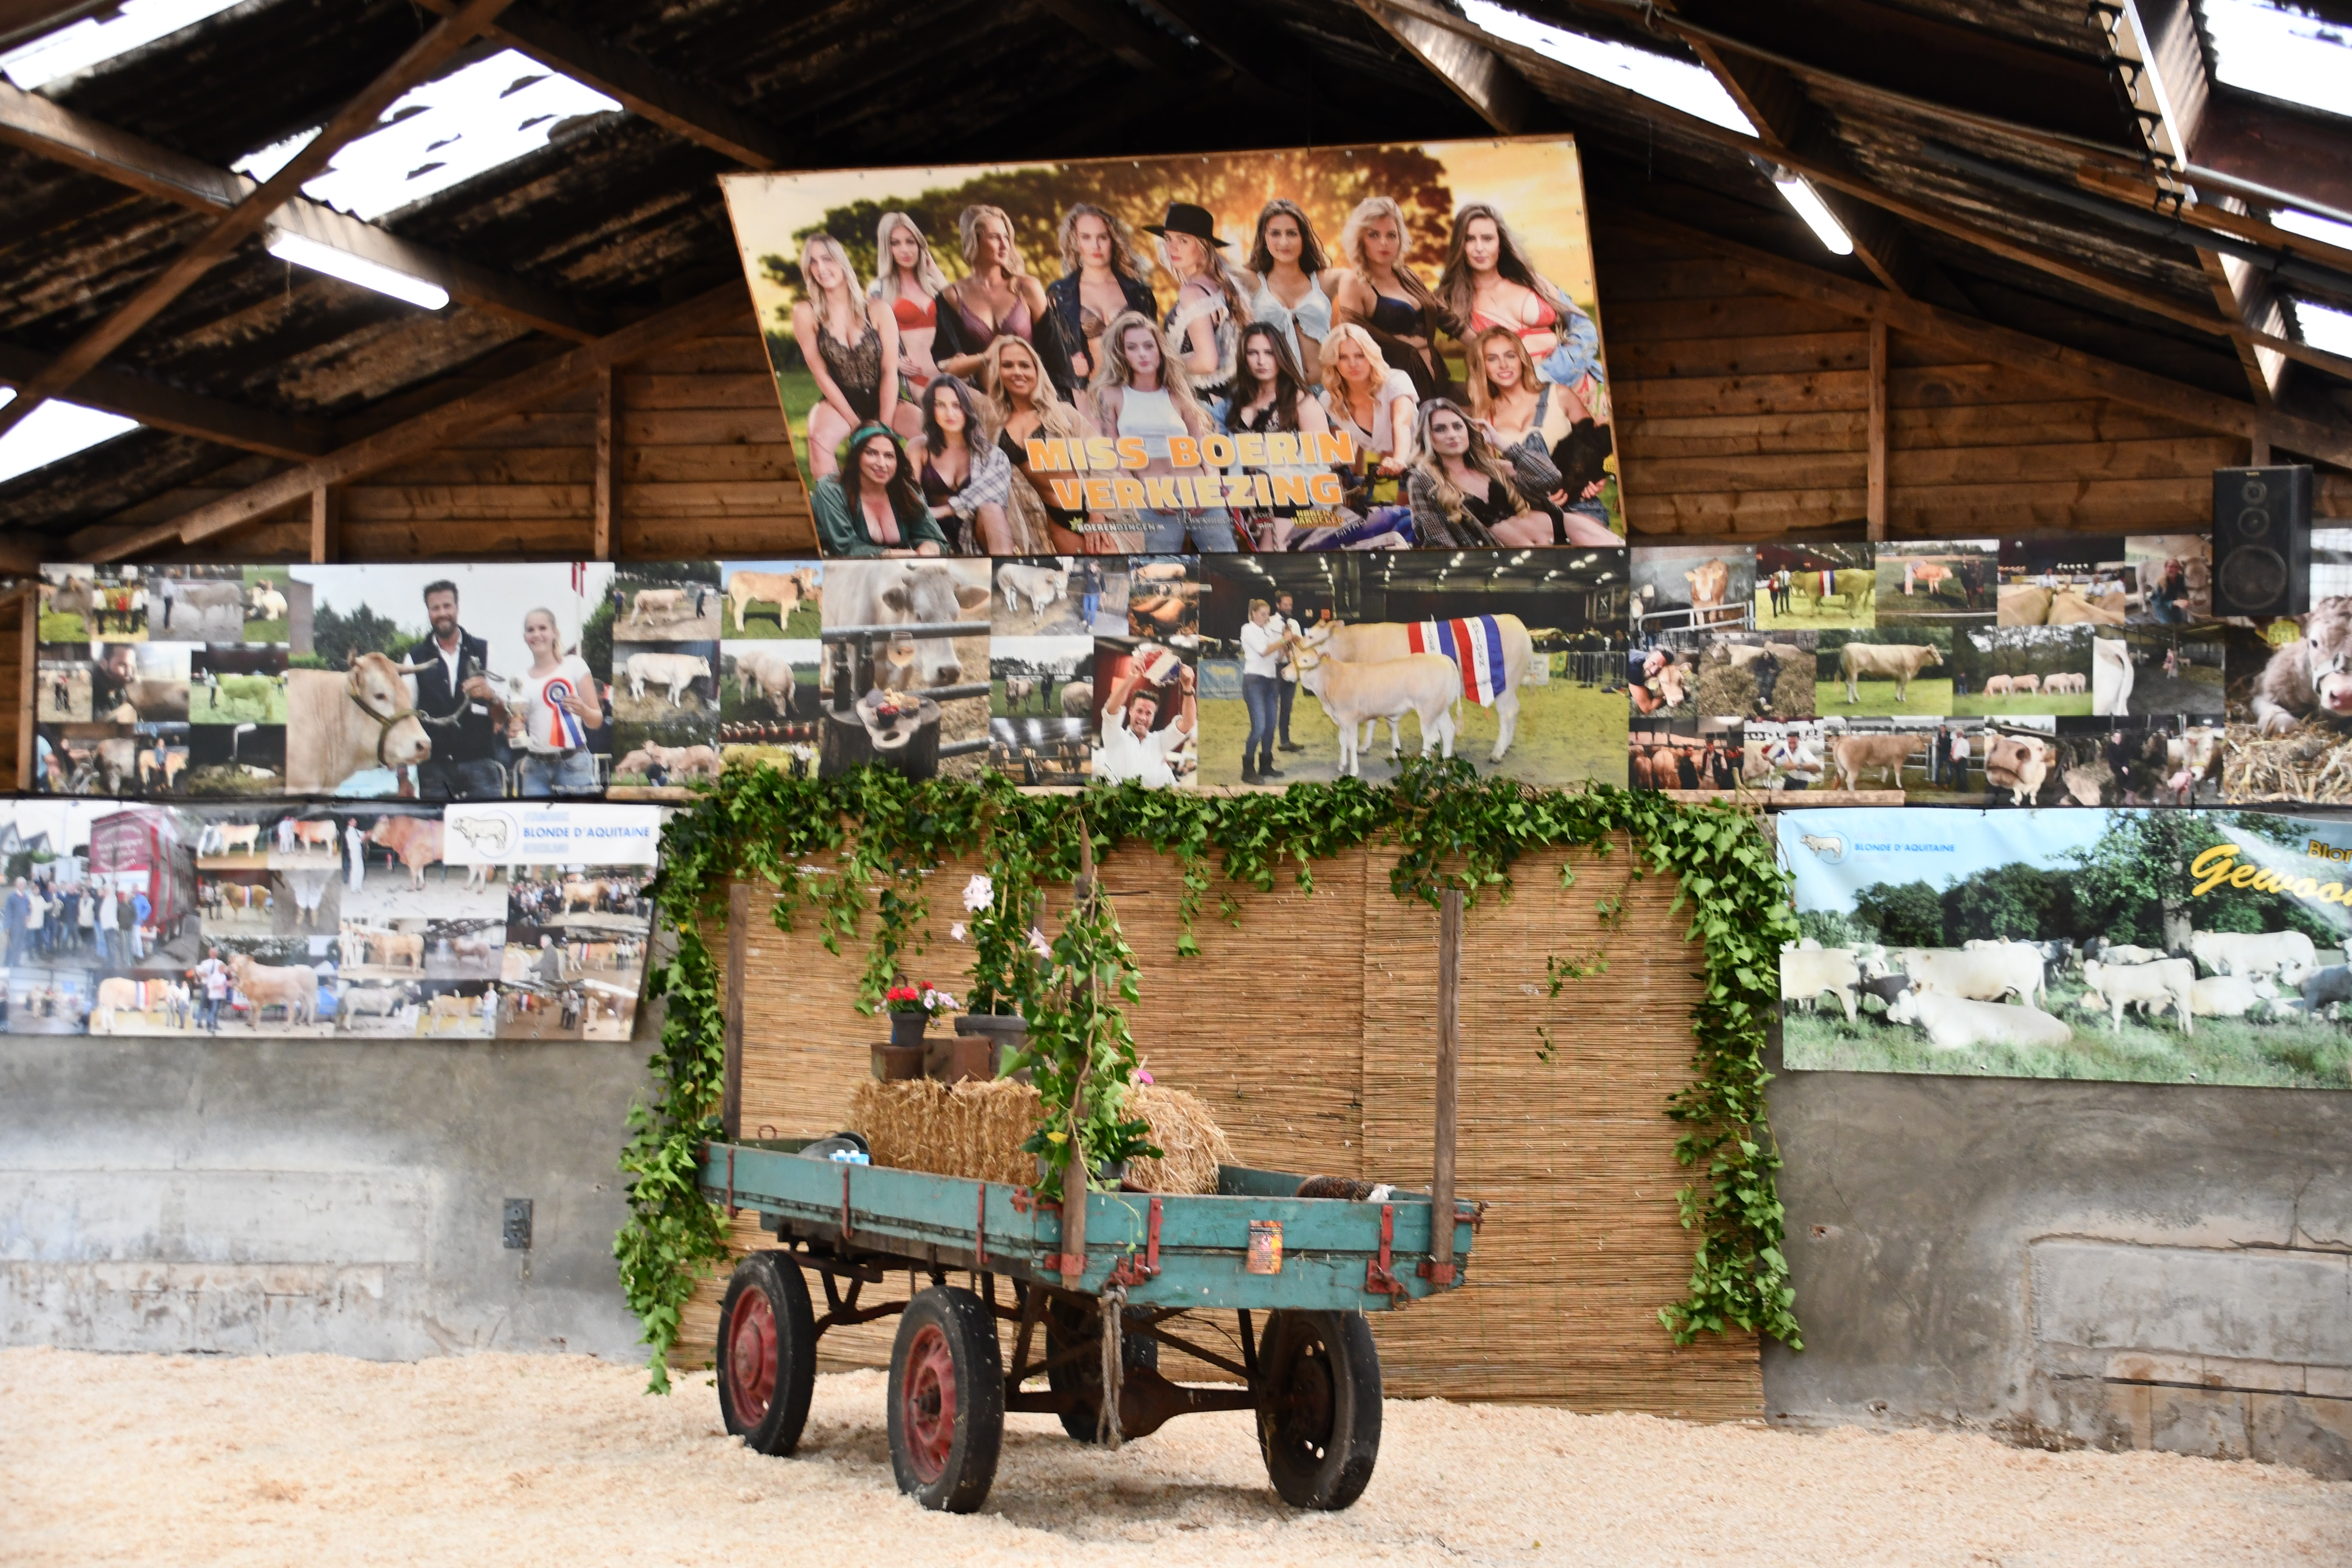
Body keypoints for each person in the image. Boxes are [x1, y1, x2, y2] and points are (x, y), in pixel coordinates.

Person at [1086, 311, 1236, 553]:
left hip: (1199, 493)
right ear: (1121, 353)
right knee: (1160, 567)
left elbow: (1203, 445)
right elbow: (1113, 456)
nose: (1143, 354)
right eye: (1132, 348)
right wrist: (1142, 495)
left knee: (1227, 561)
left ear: (1159, 349)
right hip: (1152, 500)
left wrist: (1211, 485)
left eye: (1149, 346)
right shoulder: (1110, 395)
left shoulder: (1177, 391)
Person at [1437, 201, 1603, 392]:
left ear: (1500, 244)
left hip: (1588, 387)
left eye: (1488, 239)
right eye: (1470, 239)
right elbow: (1486, 365)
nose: (1479, 248)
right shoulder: (1457, 305)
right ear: (1460, 245)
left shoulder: (1532, 281)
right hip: (1530, 398)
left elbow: (1584, 328)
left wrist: (1548, 373)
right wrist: (1536, 382)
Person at [1463, 326, 1613, 536]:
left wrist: (1596, 480)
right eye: (1492, 359)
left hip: (1581, 507)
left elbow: (1597, 445)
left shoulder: (1559, 395)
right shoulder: (1484, 419)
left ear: (1522, 360)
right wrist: (1530, 499)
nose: (1504, 365)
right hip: (1529, 514)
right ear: (1482, 367)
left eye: (1510, 356)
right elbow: (1491, 478)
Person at [792, 232, 912, 481]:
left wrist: (883, 430)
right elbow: (821, 375)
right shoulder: (806, 313)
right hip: (840, 401)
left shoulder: (878, 309)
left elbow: (890, 371)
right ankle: (836, 505)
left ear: (842, 262)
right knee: (818, 440)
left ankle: (916, 498)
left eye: (827, 259)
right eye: (813, 262)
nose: (821, 268)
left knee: (931, 435)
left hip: (885, 397)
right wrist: (857, 426)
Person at [981, 334, 1114, 554]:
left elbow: (1103, 460)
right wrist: (985, 357)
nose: (1017, 372)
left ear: (1037, 371)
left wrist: (1098, 513)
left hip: (1091, 508)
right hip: (1053, 518)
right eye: (1008, 365)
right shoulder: (994, 425)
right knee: (1077, 572)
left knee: (1111, 568)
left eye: (1025, 365)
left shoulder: (1064, 414)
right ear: (998, 371)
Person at [1407, 399, 1584, 550]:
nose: (1452, 435)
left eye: (1458, 427)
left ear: (1468, 430)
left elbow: (1551, 478)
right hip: (1505, 567)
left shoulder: (1494, 468)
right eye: (1440, 429)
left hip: (1562, 541)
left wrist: (1504, 446)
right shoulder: (1423, 481)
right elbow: (1439, 539)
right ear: (1427, 437)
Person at [1217, 323, 1331, 549]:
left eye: (1269, 353)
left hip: (1294, 497)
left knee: (1270, 557)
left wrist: (1270, 474)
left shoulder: (1302, 401)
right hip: (1246, 498)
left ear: (1281, 356)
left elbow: (1322, 459)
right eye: (1253, 353)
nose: (1261, 361)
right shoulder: (1237, 400)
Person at [1328, 196, 1453, 398]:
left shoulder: (1407, 274)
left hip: (1437, 377)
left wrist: (1483, 343)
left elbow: (1445, 317)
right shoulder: (1354, 282)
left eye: (1392, 235)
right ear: (1360, 240)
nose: (1384, 243)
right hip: (1398, 386)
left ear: (1400, 239)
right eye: (1374, 235)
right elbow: (1351, 343)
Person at [405, 579, 509, 800]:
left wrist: (491, 697)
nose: (442, 613)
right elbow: (404, 717)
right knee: (436, 825)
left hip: (481, 767)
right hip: (434, 772)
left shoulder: (485, 651)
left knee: (488, 824)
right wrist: (403, 777)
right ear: (429, 612)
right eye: (435, 608)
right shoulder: (414, 658)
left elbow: (503, 717)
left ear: (457, 608)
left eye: (447, 606)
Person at [1043, 203, 1158, 399]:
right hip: (1089, 397)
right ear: (1075, 242)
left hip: (1138, 395)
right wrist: (1070, 365)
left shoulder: (1139, 293)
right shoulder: (1061, 294)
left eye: (1102, 237)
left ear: (1113, 241)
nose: (1095, 246)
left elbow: (1156, 349)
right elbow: (1048, 356)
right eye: (1086, 238)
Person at [933, 204, 1054, 386]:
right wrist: (986, 357)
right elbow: (945, 366)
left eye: (1006, 237)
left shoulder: (1027, 288)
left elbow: (1055, 357)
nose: (1005, 245)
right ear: (975, 241)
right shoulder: (952, 296)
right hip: (982, 396)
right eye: (995, 237)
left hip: (1033, 392)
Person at [1145, 201, 1246, 400]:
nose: (1172, 248)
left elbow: (1207, 362)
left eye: (1183, 241)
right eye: (1168, 239)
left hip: (1199, 399)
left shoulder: (1192, 292)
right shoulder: (1219, 283)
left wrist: (1159, 365)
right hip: (1224, 396)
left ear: (1202, 247)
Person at [915, 374, 1015, 555]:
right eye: (940, 405)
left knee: (992, 509)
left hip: (975, 533)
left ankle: (1004, 568)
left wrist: (945, 510)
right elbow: (909, 493)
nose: (950, 414)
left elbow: (990, 495)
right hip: (933, 533)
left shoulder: (993, 455)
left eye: (956, 405)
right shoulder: (919, 448)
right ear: (931, 409)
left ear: (967, 408)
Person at [810, 424, 947, 557]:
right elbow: (846, 549)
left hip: (900, 569)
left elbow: (936, 540)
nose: (882, 464)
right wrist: (896, 554)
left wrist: (930, 549)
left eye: (889, 456)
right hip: (837, 570)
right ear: (856, 457)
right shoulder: (831, 489)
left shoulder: (905, 490)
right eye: (872, 453)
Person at [1243, 198, 1335, 387]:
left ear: (1303, 238)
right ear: (1264, 238)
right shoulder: (1251, 281)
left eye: (1292, 233)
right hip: (1278, 392)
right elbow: (1210, 269)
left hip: (1327, 390)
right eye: (1275, 233)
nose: (1284, 242)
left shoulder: (1325, 281)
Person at [514, 606, 604, 796]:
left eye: (543, 628)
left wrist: (583, 710)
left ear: (555, 632)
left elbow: (596, 721)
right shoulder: (519, 680)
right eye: (531, 630)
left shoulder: (575, 665)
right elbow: (519, 726)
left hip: (574, 765)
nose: (537, 634)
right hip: (535, 769)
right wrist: (514, 729)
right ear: (525, 637)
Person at [869, 211, 945, 404]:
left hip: (954, 378)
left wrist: (936, 272)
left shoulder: (934, 284)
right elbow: (869, 341)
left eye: (911, 242)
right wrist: (895, 361)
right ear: (887, 248)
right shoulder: (879, 289)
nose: (905, 250)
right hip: (919, 381)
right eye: (895, 243)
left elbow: (960, 317)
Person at [1093, 657, 1195, 788]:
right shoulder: (1115, 736)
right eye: (1139, 711)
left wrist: (1188, 687)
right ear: (1130, 711)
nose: (1143, 718)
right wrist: (1132, 676)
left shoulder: (1159, 742)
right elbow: (1111, 709)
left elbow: (1188, 723)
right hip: (1116, 799)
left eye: (1148, 713)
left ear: (1153, 717)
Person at [1239, 599, 1284, 785]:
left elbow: (1278, 658)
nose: (1267, 618)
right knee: (1259, 727)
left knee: (1271, 726)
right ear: (1254, 614)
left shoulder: (1268, 631)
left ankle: (1265, 765)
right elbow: (1264, 651)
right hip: (1254, 682)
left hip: (1271, 681)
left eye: (1268, 614)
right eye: (1263, 614)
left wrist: (1285, 644)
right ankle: (1248, 770)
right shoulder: (1247, 629)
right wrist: (1283, 640)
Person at [1272, 591, 1305, 753]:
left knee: (1287, 706)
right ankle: (1267, 743)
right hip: (1275, 668)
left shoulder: (1295, 624)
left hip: (1290, 667)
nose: (1289, 607)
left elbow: (1301, 646)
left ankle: (1285, 741)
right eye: (1285, 605)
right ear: (1278, 605)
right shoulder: (1270, 623)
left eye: (1290, 605)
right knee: (1272, 706)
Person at [195, 946, 229, 1032]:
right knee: (203, 1004)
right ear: (209, 954)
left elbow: (226, 971)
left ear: (217, 954)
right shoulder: (205, 963)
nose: (214, 954)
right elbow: (199, 972)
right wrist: (202, 975)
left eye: (215, 953)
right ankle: (199, 1022)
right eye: (212, 953)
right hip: (206, 985)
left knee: (214, 1007)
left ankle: (212, 1023)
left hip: (216, 988)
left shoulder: (220, 963)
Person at [1075, 558, 1104, 630]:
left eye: (1093, 567)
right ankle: (1085, 621)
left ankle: (1090, 626)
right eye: (1091, 566)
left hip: (1094, 595)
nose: (1091, 568)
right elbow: (1079, 574)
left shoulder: (1100, 575)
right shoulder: (1088, 572)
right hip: (1087, 594)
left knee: (1093, 611)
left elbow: (1103, 584)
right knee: (1085, 609)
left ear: (1097, 567)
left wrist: (1104, 592)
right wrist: (1070, 573)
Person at [4, 878, 26, 969]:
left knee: (20, 945)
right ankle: (7, 963)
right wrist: (7, 926)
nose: (21, 885)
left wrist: (28, 915)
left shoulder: (26, 897)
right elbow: (8, 912)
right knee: (12, 945)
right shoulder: (12, 897)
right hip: (13, 926)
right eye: (19, 884)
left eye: (22, 884)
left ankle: (16, 963)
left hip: (22, 926)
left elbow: (28, 908)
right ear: (16, 885)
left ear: (25, 885)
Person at [95, 886, 117, 966]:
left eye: (107, 890)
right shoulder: (106, 899)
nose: (106, 892)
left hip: (110, 926)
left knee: (111, 946)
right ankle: (109, 962)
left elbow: (114, 891)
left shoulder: (112, 899)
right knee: (108, 945)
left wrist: (115, 883)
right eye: (105, 890)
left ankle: (112, 963)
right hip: (105, 926)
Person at [345, 820, 366, 892]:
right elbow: (358, 840)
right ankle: (354, 888)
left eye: (355, 821)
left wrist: (367, 833)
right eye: (354, 822)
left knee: (361, 869)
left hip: (358, 851)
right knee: (355, 869)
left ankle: (359, 886)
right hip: (354, 852)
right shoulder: (349, 832)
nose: (356, 823)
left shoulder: (355, 830)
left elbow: (362, 834)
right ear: (349, 823)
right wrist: (365, 837)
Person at [1950, 727, 1972, 793]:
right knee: (1958, 774)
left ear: (1962, 734)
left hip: (1962, 760)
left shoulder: (1965, 742)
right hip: (1955, 760)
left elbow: (1967, 752)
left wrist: (1960, 758)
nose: (1958, 734)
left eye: (1959, 733)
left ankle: (1965, 789)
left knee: (1963, 774)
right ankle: (1959, 787)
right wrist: (1951, 756)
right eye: (1957, 733)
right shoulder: (1954, 741)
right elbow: (1952, 750)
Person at [131, 887, 150, 962]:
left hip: (137, 923)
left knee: (137, 939)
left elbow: (148, 908)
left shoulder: (142, 899)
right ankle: (134, 954)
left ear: (138, 891)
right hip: (131, 922)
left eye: (135, 889)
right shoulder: (132, 898)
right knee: (133, 939)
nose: (133, 891)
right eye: (133, 890)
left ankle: (140, 955)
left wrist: (143, 917)